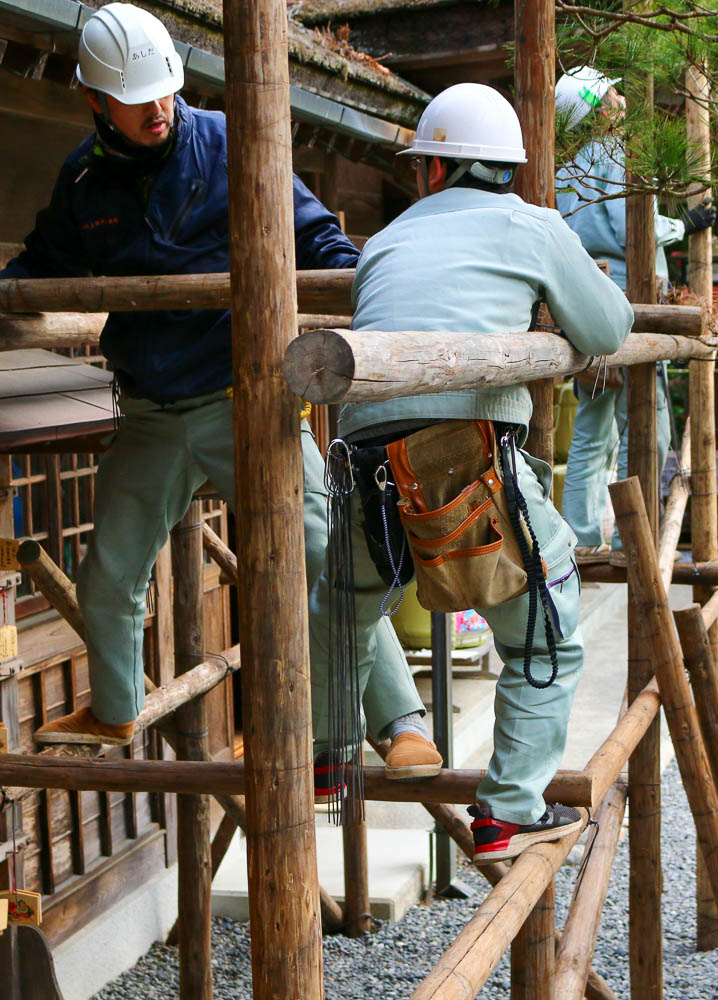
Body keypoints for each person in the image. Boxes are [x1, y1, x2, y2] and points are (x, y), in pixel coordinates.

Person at [7, 4, 430, 793]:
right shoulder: (84, 178)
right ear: (96, 102)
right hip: (150, 409)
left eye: (165, 90)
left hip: (247, 402)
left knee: (321, 558)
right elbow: (40, 262)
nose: (158, 107)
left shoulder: (231, 142)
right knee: (108, 573)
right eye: (136, 99)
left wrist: (367, 286)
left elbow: (318, 239)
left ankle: (397, 721)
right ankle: (115, 707)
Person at [324, 81, 633, 862]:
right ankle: (505, 811)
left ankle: (328, 762)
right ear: (509, 168)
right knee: (545, 639)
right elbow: (607, 326)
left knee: (346, 611)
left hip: (363, 457)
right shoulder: (532, 224)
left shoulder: (387, 239)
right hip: (467, 458)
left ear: (431, 170)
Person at [554, 66, 715, 565]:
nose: (622, 100)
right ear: (600, 105)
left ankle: (580, 535)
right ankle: (630, 539)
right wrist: (681, 225)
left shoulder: (565, 167)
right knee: (648, 425)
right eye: (612, 94)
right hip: (631, 303)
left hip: (584, 302)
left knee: (593, 422)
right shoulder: (613, 154)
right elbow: (634, 229)